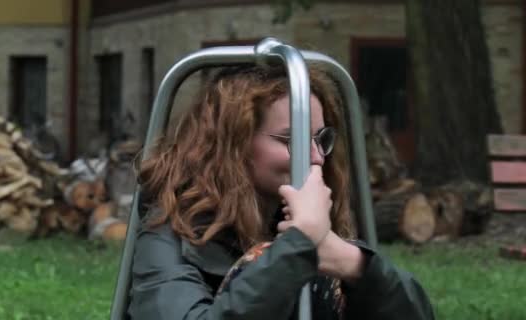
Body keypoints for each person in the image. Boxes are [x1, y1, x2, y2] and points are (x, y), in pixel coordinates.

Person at [127, 65, 434, 320]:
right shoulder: (168, 229)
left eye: (320, 139)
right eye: (293, 140)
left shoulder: (294, 214)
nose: (316, 157)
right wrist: (299, 243)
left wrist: (353, 263)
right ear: (233, 145)